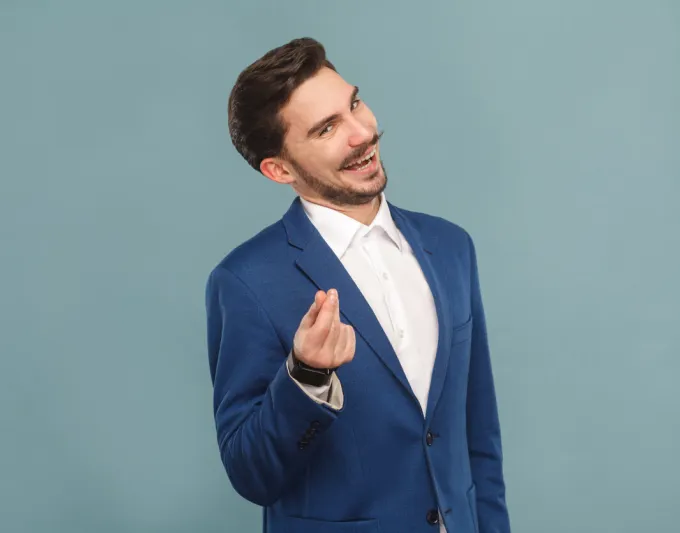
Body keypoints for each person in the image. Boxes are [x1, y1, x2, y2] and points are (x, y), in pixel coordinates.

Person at [205, 37, 511, 533]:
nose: (362, 132)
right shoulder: (244, 281)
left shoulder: (452, 247)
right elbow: (251, 474)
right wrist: (305, 375)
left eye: (353, 104)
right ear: (279, 169)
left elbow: (479, 441)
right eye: (327, 129)